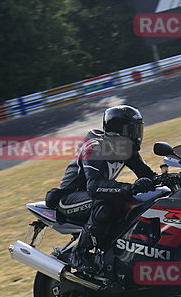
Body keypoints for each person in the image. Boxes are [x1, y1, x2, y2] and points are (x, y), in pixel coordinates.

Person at [45, 105, 156, 274]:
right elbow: (94, 187)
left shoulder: (127, 149)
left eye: (137, 128)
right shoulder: (95, 148)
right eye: (131, 129)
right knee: (109, 200)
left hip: (93, 196)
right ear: (117, 130)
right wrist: (130, 187)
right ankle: (78, 253)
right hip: (69, 199)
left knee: (133, 201)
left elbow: (148, 175)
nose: (137, 133)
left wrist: (173, 178)